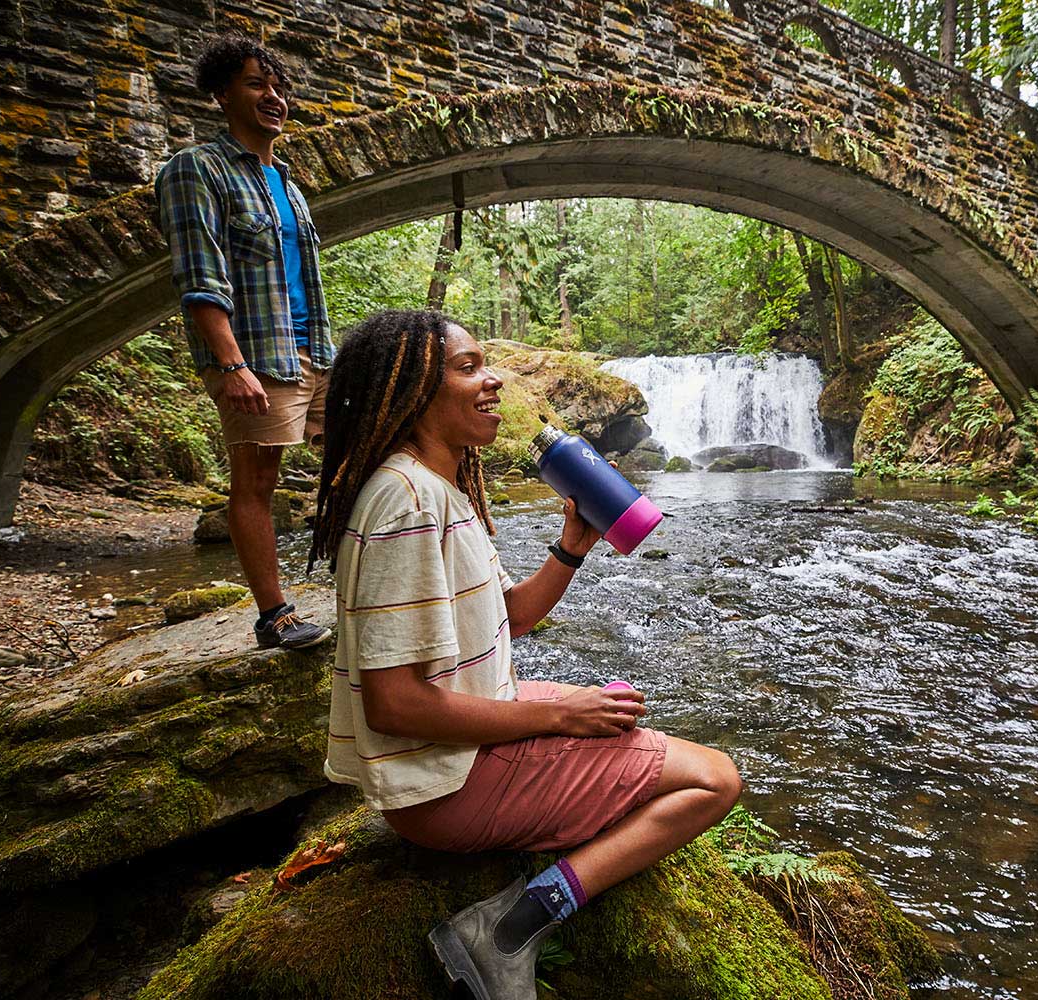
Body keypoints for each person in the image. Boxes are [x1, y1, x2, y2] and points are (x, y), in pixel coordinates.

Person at [307, 310, 742, 1000]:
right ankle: (512, 925)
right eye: (468, 367)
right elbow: (394, 705)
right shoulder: (408, 504)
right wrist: (559, 717)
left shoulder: (438, 488)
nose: (494, 379)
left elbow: (509, 616)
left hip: (449, 762)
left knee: (615, 714)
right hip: (444, 786)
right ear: (412, 389)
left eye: (487, 364)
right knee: (714, 779)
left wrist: (572, 546)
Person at [155, 34, 333, 649]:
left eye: (279, 87)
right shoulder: (195, 169)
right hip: (255, 354)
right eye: (257, 84)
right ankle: (273, 615)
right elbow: (198, 275)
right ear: (221, 92)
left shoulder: (288, 183)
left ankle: (366, 581)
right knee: (255, 481)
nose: (273, 97)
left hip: (315, 349)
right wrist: (231, 364)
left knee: (358, 457)